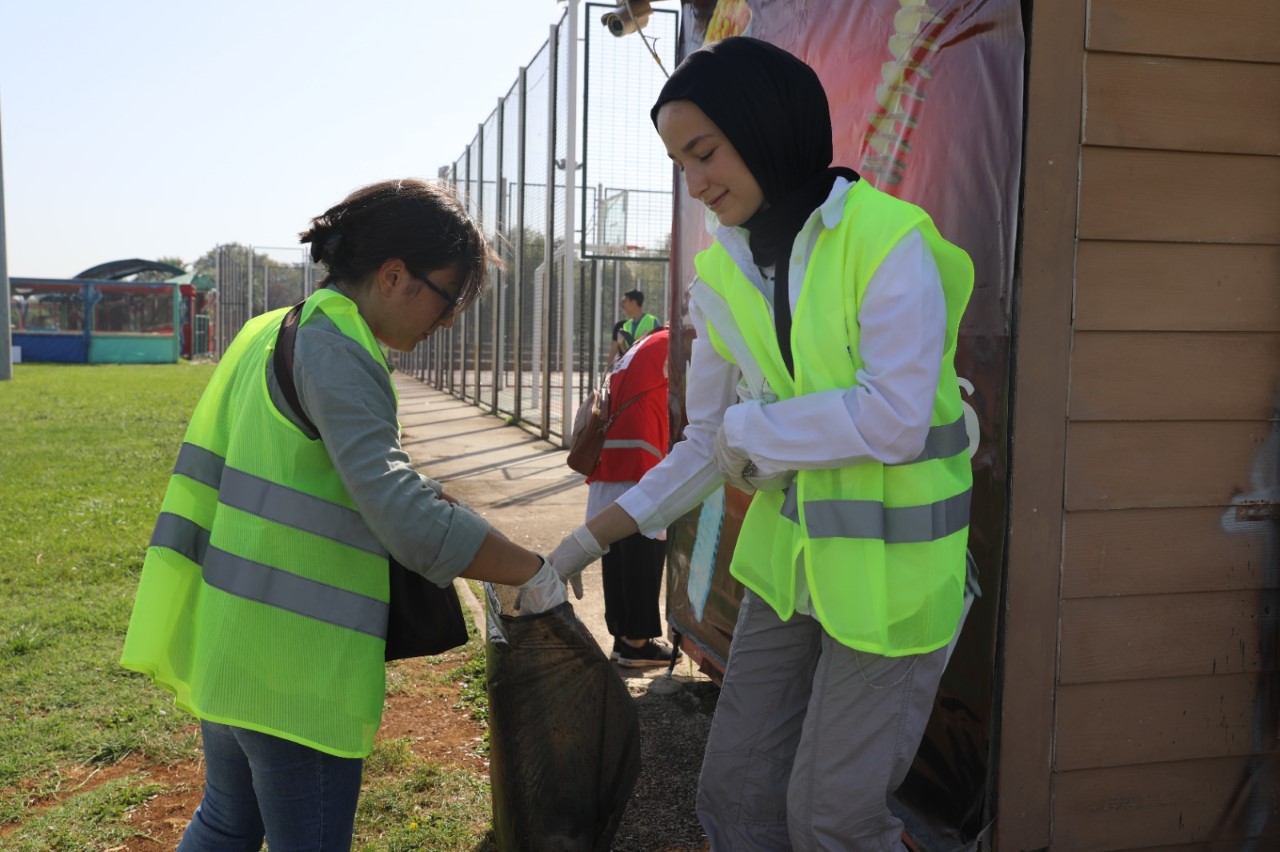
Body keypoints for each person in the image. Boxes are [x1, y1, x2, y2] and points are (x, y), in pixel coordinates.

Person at [547, 37, 973, 850]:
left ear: (769, 127)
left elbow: (893, 419)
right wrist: (572, 549)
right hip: (793, 578)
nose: (696, 181)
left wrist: (751, 432)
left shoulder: (889, 242)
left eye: (705, 152)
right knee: (735, 792)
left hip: (895, 590)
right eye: (680, 162)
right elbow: (706, 445)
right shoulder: (723, 272)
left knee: (832, 819)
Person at [120, 178, 566, 852]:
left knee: (227, 822)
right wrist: (532, 569)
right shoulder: (339, 349)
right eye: (449, 301)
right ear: (394, 276)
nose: (447, 322)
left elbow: (333, 478)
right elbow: (407, 522)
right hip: (297, 670)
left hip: (232, 641)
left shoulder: (270, 330)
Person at [586, 326, 681, 667]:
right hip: (641, 458)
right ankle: (638, 642)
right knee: (645, 549)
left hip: (610, 456)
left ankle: (623, 639)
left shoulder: (643, 345)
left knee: (616, 549)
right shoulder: (677, 342)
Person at [605, 288, 663, 368]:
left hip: (648, 369)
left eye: (625, 302)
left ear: (633, 303)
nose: (622, 306)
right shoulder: (626, 326)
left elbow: (660, 347)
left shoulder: (652, 321)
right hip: (631, 370)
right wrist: (621, 344)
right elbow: (627, 354)